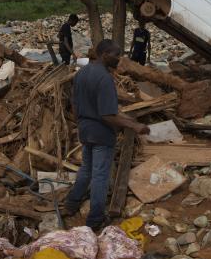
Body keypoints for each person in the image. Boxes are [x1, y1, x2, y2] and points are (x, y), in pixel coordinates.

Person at [64, 39, 150, 230]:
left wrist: (81, 121)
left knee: (86, 169)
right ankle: (95, 219)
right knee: (100, 176)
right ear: (104, 55)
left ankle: (71, 203)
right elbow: (108, 116)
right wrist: (135, 127)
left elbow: (75, 103)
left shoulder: (83, 72)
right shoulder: (104, 78)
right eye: (116, 54)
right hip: (101, 133)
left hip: (85, 129)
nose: (119, 58)